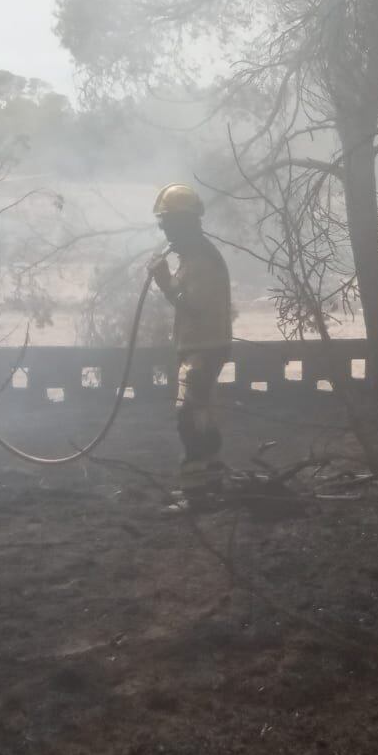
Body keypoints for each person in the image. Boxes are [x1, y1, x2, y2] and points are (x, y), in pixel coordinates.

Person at [149, 183, 233, 511]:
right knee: (201, 413)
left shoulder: (201, 260)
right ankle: (212, 479)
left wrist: (163, 281)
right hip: (201, 345)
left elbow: (194, 305)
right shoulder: (194, 256)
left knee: (188, 414)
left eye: (168, 224)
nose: (165, 231)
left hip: (204, 347)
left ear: (184, 224)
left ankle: (196, 494)